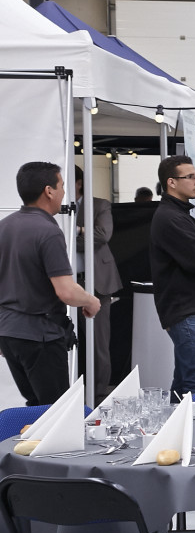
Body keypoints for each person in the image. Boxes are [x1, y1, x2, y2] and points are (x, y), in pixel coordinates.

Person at [0, 163, 100, 405]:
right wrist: (91, 300)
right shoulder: (47, 231)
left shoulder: (4, 226)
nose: (65, 192)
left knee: (36, 408)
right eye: (62, 186)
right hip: (40, 335)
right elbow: (66, 291)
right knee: (56, 413)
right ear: (49, 191)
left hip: (9, 333)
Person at [149, 155, 195, 400]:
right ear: (171, 182)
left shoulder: (180, 216)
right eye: (190, 177)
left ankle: (171, 436)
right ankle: (193, 438)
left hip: (191, 311)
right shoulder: (171, 218)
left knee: (183, 386)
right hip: (189, 311)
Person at [73, 166, 122, 401]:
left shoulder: (99, 205)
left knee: (98, 341)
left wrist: (76, 232)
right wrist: (81, 234)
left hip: (96, 282)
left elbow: (102, 236)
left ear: (79, 183)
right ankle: (72, 390)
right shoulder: (52, 210)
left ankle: (100, 392)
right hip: (66, 282)